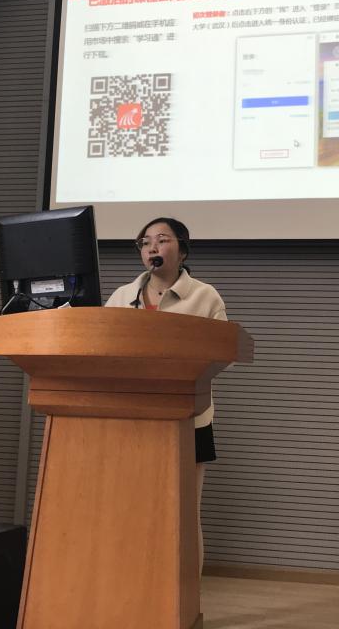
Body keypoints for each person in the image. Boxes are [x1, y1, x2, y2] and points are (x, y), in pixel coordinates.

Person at [105, 217, 226, 574]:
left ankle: (186, 597)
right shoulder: (122, 297)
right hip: (132, 420)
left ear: (182, 250)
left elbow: (224, 355)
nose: (152, 247)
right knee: (134, 511)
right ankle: (138, 588)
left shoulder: (204, 296)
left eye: (162, 239)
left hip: (188, 420)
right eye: (145, 242)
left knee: (183, 513)